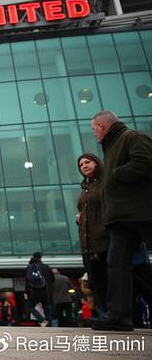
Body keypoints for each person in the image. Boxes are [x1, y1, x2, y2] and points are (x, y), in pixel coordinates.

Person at [90, 110, 152, 331]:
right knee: (116, 266)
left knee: (120, 265)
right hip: (121, 218)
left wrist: (115, 175)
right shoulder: (112, 146)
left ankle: (119, 315)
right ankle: (119, 317)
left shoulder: (131, 137)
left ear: (103, 125)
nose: (94, 133)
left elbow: (145, 162)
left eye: (94, 129)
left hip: (142, 213)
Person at [75, 153, 108, 318]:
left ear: (96, 163)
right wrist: (79, 218)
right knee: (95, 281)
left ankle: (110, 314)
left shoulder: (104, 183)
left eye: (87, 162)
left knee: (106, 280)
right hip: (87, 243)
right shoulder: (86, 187)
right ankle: (103, 314)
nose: (84, 166)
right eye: (81, 165)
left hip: (103, 240)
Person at [25, 252, 54, 326]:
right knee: (47, 308)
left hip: (34, 292)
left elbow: (27, 281)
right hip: (46, 291)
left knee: (29, 306)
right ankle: (49, 325)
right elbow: (52, 279)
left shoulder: (30, 267)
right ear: (41, 257)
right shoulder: (46, 267)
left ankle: (42, 320)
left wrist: (27, 292)